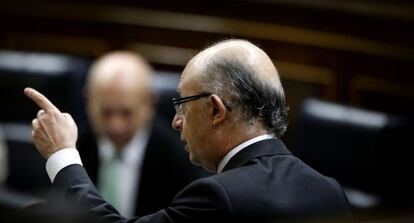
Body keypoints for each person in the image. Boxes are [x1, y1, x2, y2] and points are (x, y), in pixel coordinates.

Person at [25, 39, 352, 222]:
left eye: (182, 104)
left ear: (215, 109)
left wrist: (63, 155)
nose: (176, 120)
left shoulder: (217, 197)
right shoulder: (329, 190)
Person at [78, 51, 208, 217]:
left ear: (150, 103)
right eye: (106, 112)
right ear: (88, 100)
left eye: (126, 113)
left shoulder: (182, 159)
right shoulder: (73, 148)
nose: (115, 126)